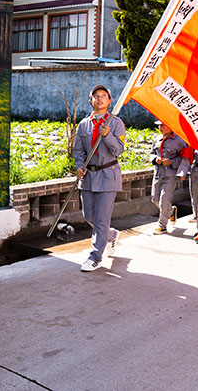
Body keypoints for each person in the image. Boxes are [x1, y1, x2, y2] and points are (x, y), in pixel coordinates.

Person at [73, 85, 125, 271]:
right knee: (89, 216)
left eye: (104, 96)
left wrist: (108, 135)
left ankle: (96, 257)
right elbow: (78, 149)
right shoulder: (84, 124)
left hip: (107, 176)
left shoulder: (116, 123)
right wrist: (79, 166)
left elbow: (118, 150)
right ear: (91, 101)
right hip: (88, 177)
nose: (100, 99)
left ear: (110, 101)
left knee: (102, 219)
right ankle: (111, 235)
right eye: (96, 96)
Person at [149, 120, 189, 235]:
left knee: (164, 199)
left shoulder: (179, 141)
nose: (161, 128)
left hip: (170, 175)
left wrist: (171, 162)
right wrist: (155, 159)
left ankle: (162, 225)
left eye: (163, 125)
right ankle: (170, 211)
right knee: (154, 198)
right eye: (159, 126)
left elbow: (183, 159)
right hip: (158, 173)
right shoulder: (157, 139)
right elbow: (151, 153)